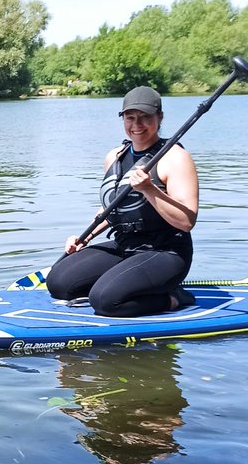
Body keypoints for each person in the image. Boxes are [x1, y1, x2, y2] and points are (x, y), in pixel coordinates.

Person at [44, 86, 198, 316]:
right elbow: (112, 207)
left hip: (166, 252)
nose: (137, 125)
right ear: (123, 118)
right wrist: (84, 237)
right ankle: (123, 282)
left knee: (104, 301)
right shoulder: (115, 156)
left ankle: (174, 297)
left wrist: (149, 189)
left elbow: (187, 221)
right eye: (130, 117)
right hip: (124, 245)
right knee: (58, 283)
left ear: (160, 117)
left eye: (145, 117)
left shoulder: (175, 158)